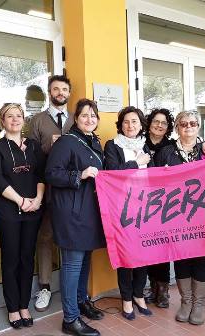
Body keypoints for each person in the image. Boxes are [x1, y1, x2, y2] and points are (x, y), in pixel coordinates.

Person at [45, 99, 106, 336]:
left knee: (85, 261)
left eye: (93, 116)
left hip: (89, 212)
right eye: (84, 116)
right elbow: (51, 174)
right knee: (72, 265)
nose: (89, 119)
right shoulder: (66, 142)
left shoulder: (93, 141)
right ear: (76, 119)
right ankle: (70, 318)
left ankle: (81, 302)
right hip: (71, 213)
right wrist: (79, 174)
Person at [0, 103, 45, 329]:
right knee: (11, 259)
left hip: (33, 209)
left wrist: (38, 199)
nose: (14, 119)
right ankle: (13, 308)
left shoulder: (33, 146)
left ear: (24, 120)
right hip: (8, 211)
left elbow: (41, 173)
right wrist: (20, 201)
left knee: (26, 258)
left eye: (18, 116)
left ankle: (24, 305)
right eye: (9, 116)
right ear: (2, 121)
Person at [154, 110, 205, 325]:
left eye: (193, 123)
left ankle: (199, 304)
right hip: (175, 215)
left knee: (200, 259)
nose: (188, 127)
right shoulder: (166, 152)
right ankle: (185, 302)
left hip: (202, 214)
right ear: (177, 127)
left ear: (199, 127)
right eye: (183, 123)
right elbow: (153, 183)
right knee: (181, 258)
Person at [29, 75, 74, 312]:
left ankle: (72, 287)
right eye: (56, 88)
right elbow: (30, 154)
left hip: (71, 190)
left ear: (69, 93)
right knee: (44, 238)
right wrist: (50, 147)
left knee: (69, 238)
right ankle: (44, 287)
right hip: (45, 188)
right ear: (49, 92)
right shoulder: (37, 120)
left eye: (64, 89)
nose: (60, 92)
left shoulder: (77, 119)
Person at [104, 106, 153, 320]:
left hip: (148, 207)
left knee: (144, 253)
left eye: (134, 121)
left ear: (141, 124)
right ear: (120, 124)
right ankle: (126, 299)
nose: (130, 125)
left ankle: (139, 294)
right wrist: (136, 163)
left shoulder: (148, 145)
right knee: (126, 253)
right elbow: (113, 172)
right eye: (126, 122)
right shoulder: (112, 145)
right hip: (122, 207)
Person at [144, 108, 175, 308]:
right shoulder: (139, 142)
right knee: (146, 247)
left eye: (164, 123)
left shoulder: (172, 146)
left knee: (162, 248)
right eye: (156, 121)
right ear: (149, 123)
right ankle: (152, 286)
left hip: (164, 204)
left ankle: (162, 291)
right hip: (143, 203)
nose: (159, 125)